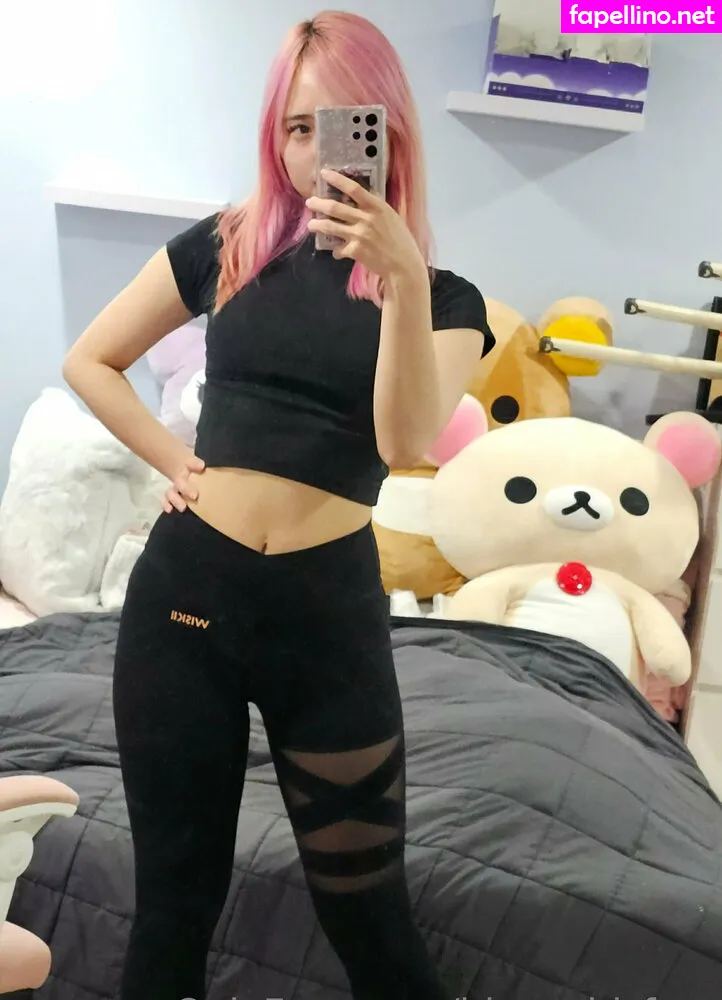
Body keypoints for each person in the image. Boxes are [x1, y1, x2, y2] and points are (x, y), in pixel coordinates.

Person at [62, 10, 494, 1000]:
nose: (314, 153)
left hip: (325, 621)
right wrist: (175, 457)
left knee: (369, 914)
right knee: (172, 908)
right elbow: (91, 360)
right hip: (185, 604)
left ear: (388, 133)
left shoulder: (448, 300)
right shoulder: (228, 245)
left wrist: (400, 278)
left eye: (340, 126)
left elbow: (401, 441)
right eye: (296, 128)